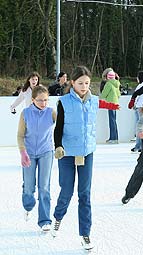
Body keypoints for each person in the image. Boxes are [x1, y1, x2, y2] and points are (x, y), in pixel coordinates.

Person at [51, 66, 119, 251]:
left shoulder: (93, 101)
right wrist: (58, 146)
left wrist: (115, 105)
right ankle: (58, 217)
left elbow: (105, 104)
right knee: (66, 191)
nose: (84, 86)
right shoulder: (63, 102)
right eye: (80, 83)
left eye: (87, 83)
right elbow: (58, 128)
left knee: (84, 194)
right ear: (72, 83)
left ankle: (85, 234)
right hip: (66, 153)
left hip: (86, 152)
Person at [17, 85, 56, 232]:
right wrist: (23, 152)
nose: (43, 103)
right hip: (29, 153)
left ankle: (45, 220)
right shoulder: (25, 113)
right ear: (33, 100)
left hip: (46, 152)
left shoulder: (51, 112)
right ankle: (27, 205)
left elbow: (61, 129)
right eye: (40, 100)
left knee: (44, 187)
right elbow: (20, 135)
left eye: (46, 100)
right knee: (29, 187)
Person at [100, 70, 121, 144]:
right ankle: (115, 137)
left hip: (110, 103)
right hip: (115, 103)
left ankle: (113, 138)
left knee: (111, 121)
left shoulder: (108, 84)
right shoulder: (117, 84)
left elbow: (103, 94)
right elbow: (119, 95)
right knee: (114, 121)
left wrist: (101, 97)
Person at [130, 71, 143, 153]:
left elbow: (137, 95)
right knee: (141, 126)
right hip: (142, 106)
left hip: (140, 107)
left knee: (140, 126)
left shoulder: (141, 85)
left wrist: (134, 104)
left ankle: (140, 145)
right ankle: (140, 144)